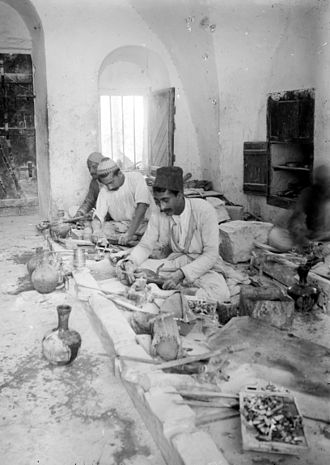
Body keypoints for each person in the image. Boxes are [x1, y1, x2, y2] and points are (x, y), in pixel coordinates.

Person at [118, 166, 230, 303]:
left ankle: (174, 291)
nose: (162, 207)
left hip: (204, 263)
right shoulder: (158, 213)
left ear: (179, 195)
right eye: (158, 201)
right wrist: (131, 262)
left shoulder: (204, 210)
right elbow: (146, 245)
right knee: (129, 272)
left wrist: (181, 274)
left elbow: (211, 254)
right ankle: (173, 289)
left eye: (166, 200)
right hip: (177, 261)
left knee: (220, 293)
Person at [92, 157, 154, 245]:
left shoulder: (135, 178)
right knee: (103, 229)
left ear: (120, 174)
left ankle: (133, 239)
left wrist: (129, 234)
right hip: (123, 226)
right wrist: (96, 231)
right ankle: (132, 240)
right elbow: (98, 217)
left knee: (154, 232)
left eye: (111, 182)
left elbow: (142, 208)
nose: (109, 187)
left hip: (143, 224)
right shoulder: (104, 190)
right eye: (106, 184)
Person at [269, 164, 330, 251]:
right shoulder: (309, 194)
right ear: (318, 182)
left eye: (328, 182)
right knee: (275, 237)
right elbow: (296, 220)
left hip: (323, 238)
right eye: (324, 182)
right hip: (312, 238)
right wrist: (302, 237)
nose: (327, 185)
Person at [74, 152, 104, 218]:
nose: (91, 171)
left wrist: (96, 212)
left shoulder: (113, 181)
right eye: (89, 168)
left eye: (94, 167)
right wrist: (80, 212)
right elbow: (89, 201)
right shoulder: (94, 183)